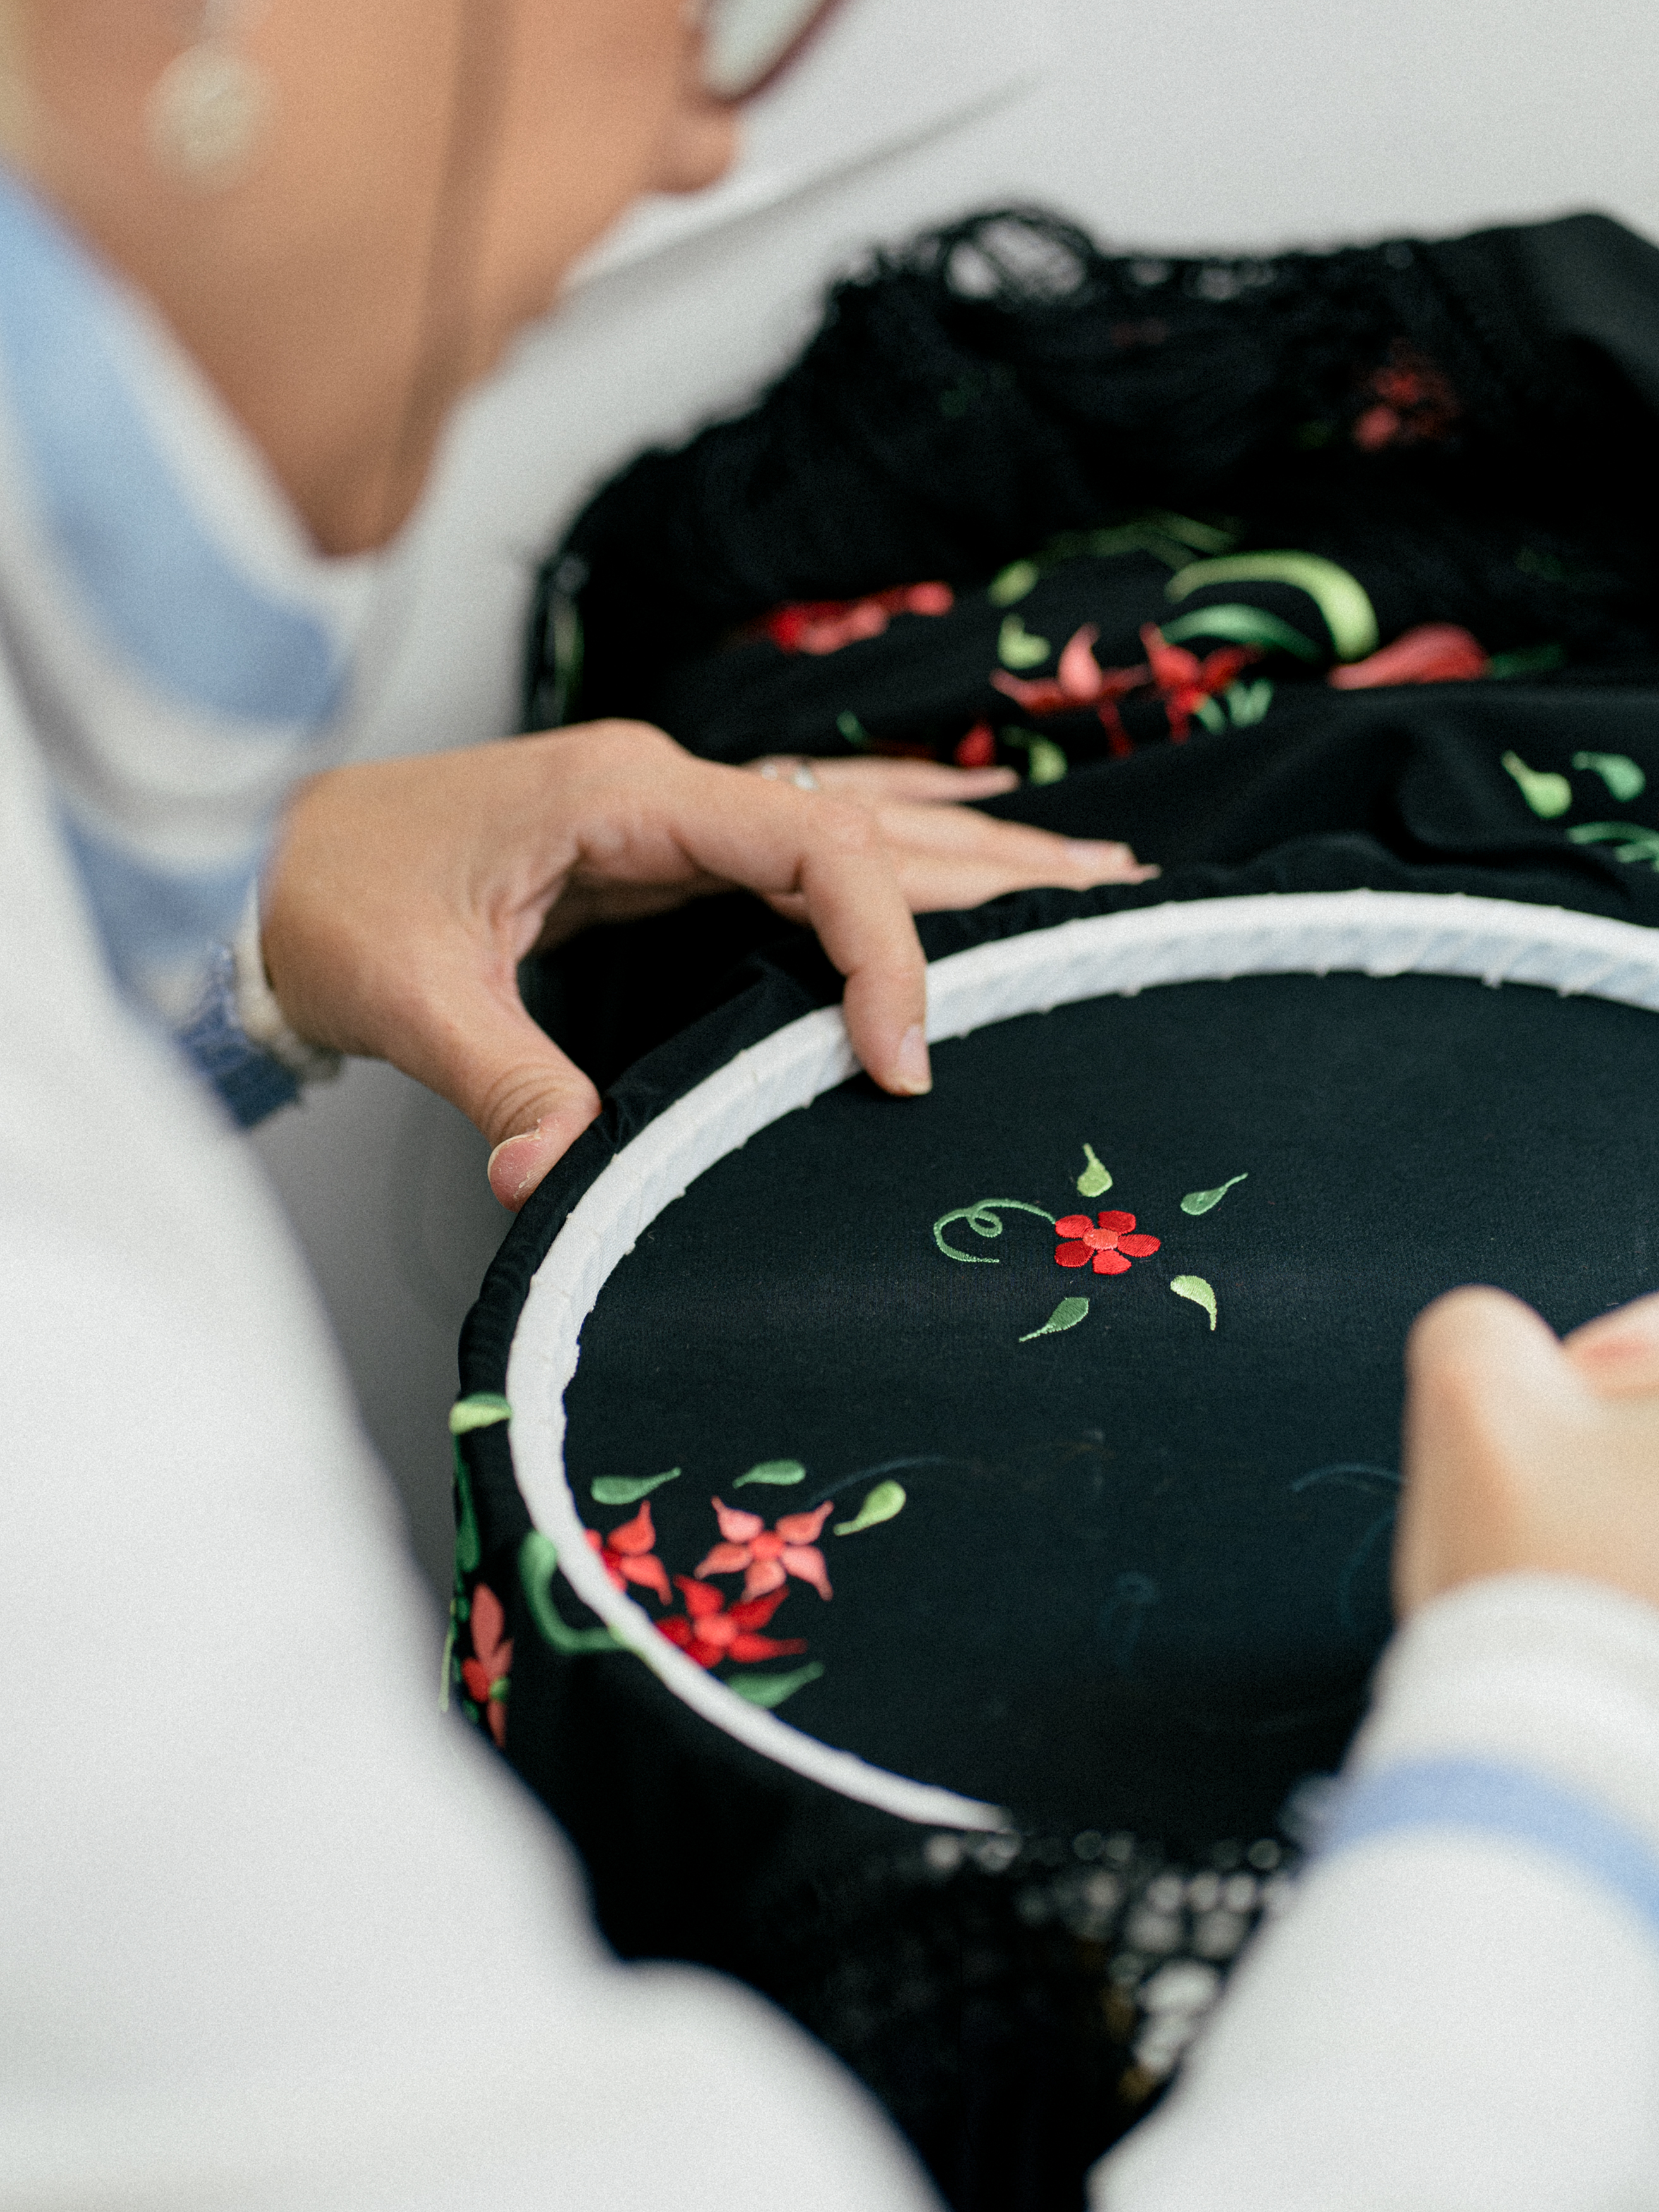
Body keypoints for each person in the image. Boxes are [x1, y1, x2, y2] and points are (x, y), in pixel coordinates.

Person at [3, 8, 1659, 2210]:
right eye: (693, 13)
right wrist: (1569, 1697)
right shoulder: (73, 1515)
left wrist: (255, 939)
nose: (700, 140)